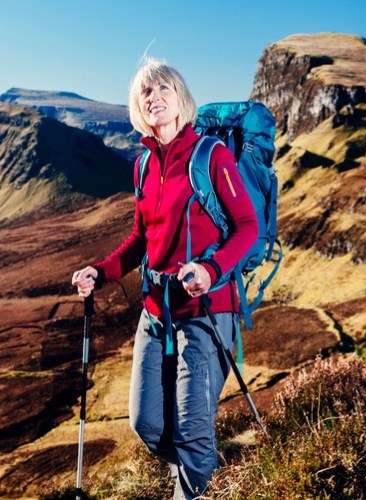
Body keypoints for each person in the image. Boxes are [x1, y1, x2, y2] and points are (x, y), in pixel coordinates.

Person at [70, 57, 259, 499]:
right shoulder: (143, 167)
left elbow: (247, 227)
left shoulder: (212, 156)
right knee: (147, 423)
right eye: (145, 92)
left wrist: (210, 269)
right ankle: (204, 467)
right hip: (157, 313)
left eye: (163, 89)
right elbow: (140, 240)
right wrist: (101, 271)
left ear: (180, 99)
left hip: (207, 311)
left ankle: (196, 480)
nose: (154, 98)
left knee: (192, 425)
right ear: (138, 107)